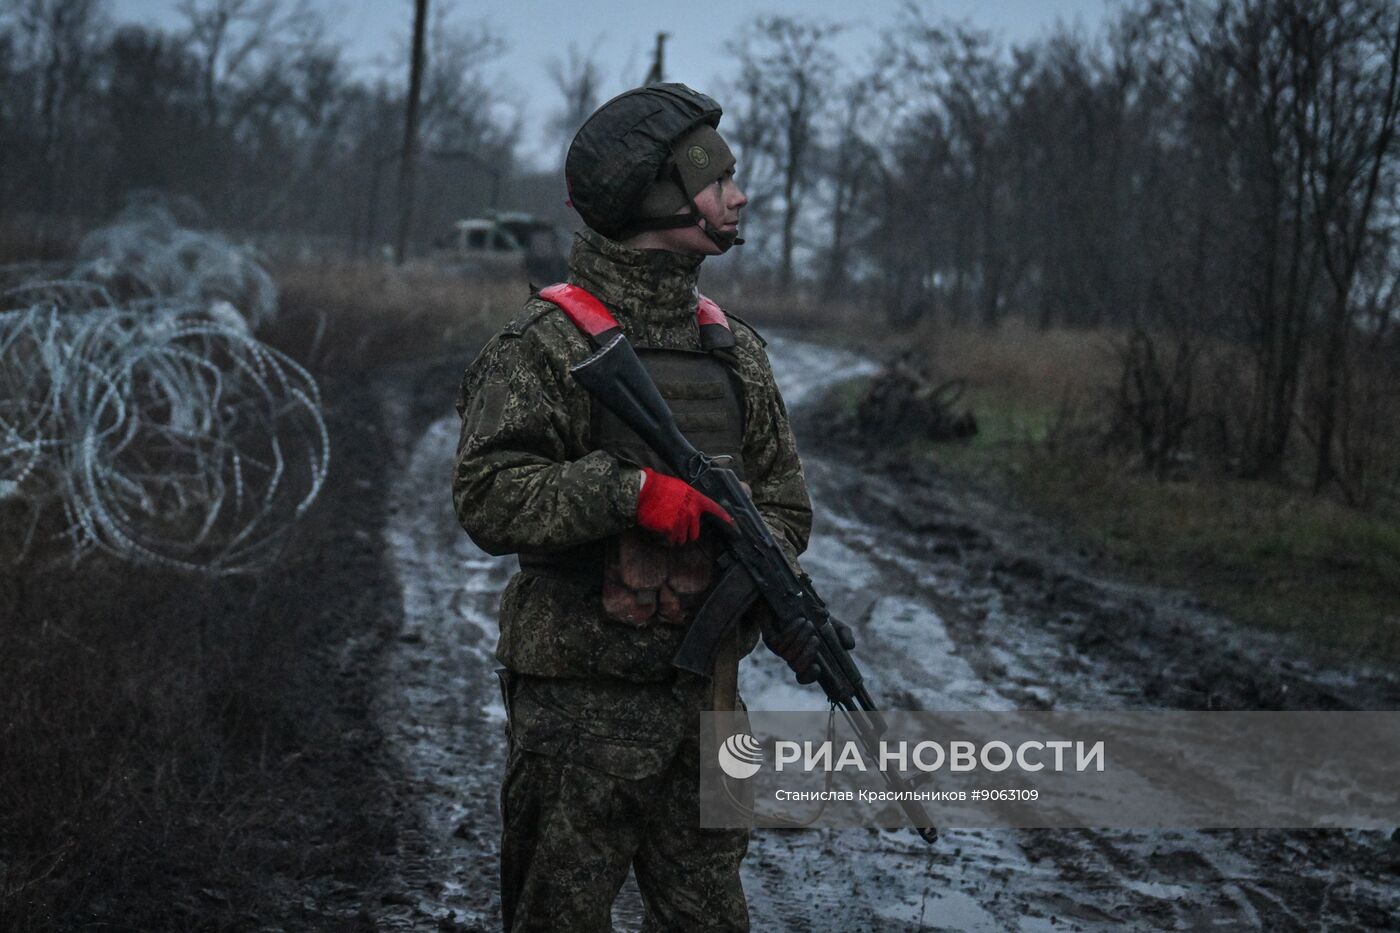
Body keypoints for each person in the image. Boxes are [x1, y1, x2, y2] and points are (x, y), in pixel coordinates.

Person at [453, 83, 815, 933]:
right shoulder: (544, 347)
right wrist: (631, 494)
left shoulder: (736, 352)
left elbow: (788, 506)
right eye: (716, 179)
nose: (740, 194)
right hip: (582, 714)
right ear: (658, 195)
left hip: (711, 714)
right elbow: (486, 494)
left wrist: (745, 548)